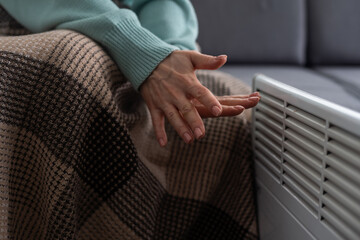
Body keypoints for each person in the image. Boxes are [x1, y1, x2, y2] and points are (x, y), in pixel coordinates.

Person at [0, 0, 260, 146]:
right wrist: (142, 53)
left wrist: (171, 57)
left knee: (239, 119)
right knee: (68, 63)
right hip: (22, 29)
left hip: (139, 38)